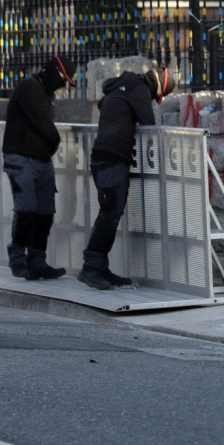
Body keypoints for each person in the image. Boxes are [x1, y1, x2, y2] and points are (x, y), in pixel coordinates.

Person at [78, 65, 176, 290]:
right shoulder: (138, 88)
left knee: (110, 213)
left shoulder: (119, 88)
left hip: (107, 158)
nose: (153, 99)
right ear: (158, 86)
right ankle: (91, 266)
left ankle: (100, 267)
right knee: (109, 213)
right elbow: (149, 123)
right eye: (157, 96)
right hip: (111, 160)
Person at [2, 55, 77, 280]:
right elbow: (44, 125)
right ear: (54, 71)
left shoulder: (48, 94)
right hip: (20, 159)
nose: (64, 83)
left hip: (42, 161)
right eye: (63, 77)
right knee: (26, 208)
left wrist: (50, 145)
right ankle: (17, 259)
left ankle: (37, 261)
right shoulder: (29, 88)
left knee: (45, 211)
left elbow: (45, 128)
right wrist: (55, 140)